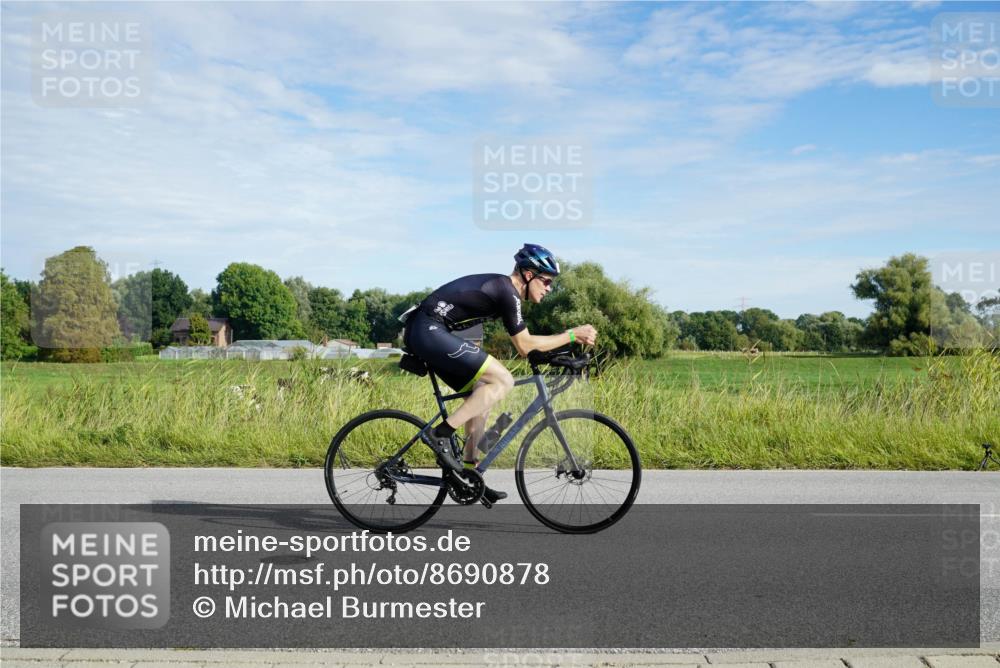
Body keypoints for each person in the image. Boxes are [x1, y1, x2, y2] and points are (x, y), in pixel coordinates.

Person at [403, 243, 598, 504]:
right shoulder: (508, 291)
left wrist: (558, 356)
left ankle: (468, 475)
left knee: (482, 396)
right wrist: (572, 335)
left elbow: (528, 348)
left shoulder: (508, 294)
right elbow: (525, 346)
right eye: (547, 282)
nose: (549, 289)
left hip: (432, 331)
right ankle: (439, 434)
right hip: (428, 329)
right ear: (529, 275)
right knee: (503, 380)